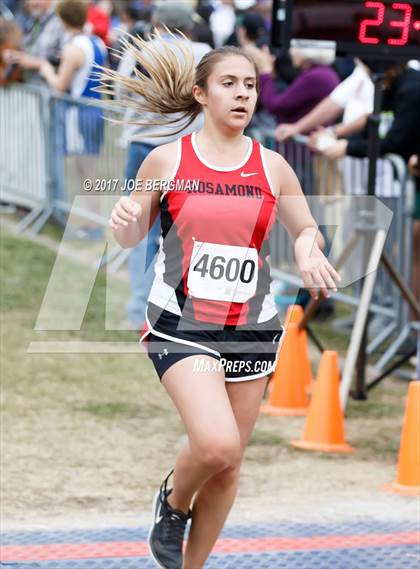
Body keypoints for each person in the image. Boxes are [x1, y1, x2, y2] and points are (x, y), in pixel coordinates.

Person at [106, 34, 340, 569]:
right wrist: (123, 220)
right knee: (216, 445)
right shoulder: (166, 161)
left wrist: (307, 250)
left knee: (231, 467)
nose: (243, 95)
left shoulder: (273, 166)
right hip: (179, 324)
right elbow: (128, 237)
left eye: (251, 86)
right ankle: (172, 502)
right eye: (229, 84)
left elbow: (306, 228)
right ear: (201, 94)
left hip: (251, 327)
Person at [115, 2, 211, 329]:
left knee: (142, 229)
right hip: (184, 151)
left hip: (143, 145)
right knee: (186, 231)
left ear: (158, 22)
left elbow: (119, 92)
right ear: (189, 25)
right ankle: (180, 308)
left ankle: (140, 308)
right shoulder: (201, 53)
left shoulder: (140, 51)